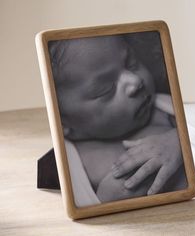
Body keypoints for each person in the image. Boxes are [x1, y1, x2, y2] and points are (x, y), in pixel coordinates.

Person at [49, 35, 187, 206]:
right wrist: (105, 200)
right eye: (106, 89)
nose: (135, 81)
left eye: (131, 63)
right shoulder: (68, 166)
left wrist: (180, 141)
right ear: (62, 123)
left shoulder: (166, 109)